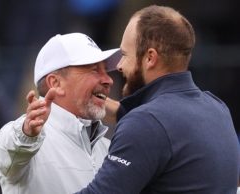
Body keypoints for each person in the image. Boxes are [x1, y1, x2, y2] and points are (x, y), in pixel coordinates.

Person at [75, 5, 240, 194]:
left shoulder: (145, 122)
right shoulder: (217, 108)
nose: (119, 66)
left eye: (125, 55)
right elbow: (167, 130)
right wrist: (106, 107)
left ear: (150, 58)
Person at [0, 32, 121, 194]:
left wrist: (125, 114)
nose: (109, 80)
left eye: (105, 71)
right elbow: (13, 150)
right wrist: (27, 134)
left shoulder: (110, 148)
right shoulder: (22, 137)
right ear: (56, 83)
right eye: (94, 70)